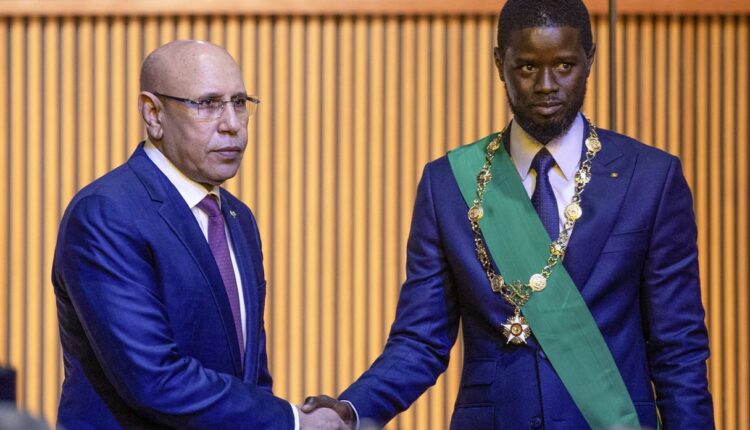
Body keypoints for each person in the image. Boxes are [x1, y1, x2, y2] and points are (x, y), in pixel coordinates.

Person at [302, 1, 714, 428]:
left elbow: (678, 348)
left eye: (565, 65)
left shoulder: (650, 178)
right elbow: (420, 340)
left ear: (590, 60)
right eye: (527, 67)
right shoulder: (449, 183)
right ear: (500, 63)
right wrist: (351, 409)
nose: (546, 85)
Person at [52, 40, 347, 430]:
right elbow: (154, 378)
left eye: (239, 102)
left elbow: (251, 377)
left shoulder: (238, 219)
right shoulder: (106, 213)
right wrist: (293, 420)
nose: (232, 124)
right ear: (153, 113)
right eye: (208, 104)